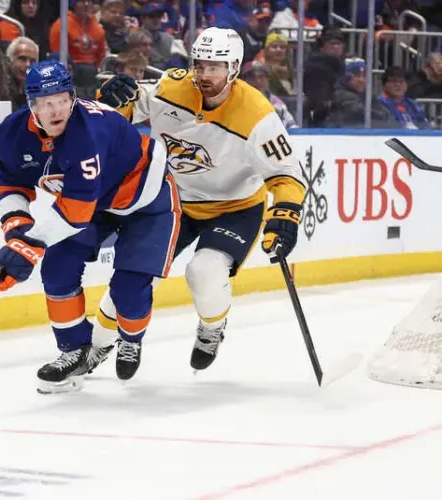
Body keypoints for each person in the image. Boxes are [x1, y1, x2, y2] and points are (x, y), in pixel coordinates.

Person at [97, 27, 306, 371]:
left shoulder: (257, 114)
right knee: (133, 275)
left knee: (205, 270)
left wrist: (285, 214)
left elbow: (286, 173)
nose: (204, 74)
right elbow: (123, 110)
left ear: (234, 68)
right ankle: (97, 344)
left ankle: (211, 328)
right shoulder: (172, 87)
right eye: (200, 65)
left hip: (234, 207)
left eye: (215, 67)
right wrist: (111, 99)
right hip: (172, 203)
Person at [0, 60, 181, 393]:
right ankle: (74, 351)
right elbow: (9, 186)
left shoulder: (88, 132)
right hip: (95, 203)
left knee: (128, 290)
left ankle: (131, 338)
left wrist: (28, 245)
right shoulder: (10, 135)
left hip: (146, 198)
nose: (56, 110)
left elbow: (76, 212)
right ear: (31, 105)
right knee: (57, 267)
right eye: (46, 103)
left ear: (73, 98)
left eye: (62, 100)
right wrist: (17, 233)